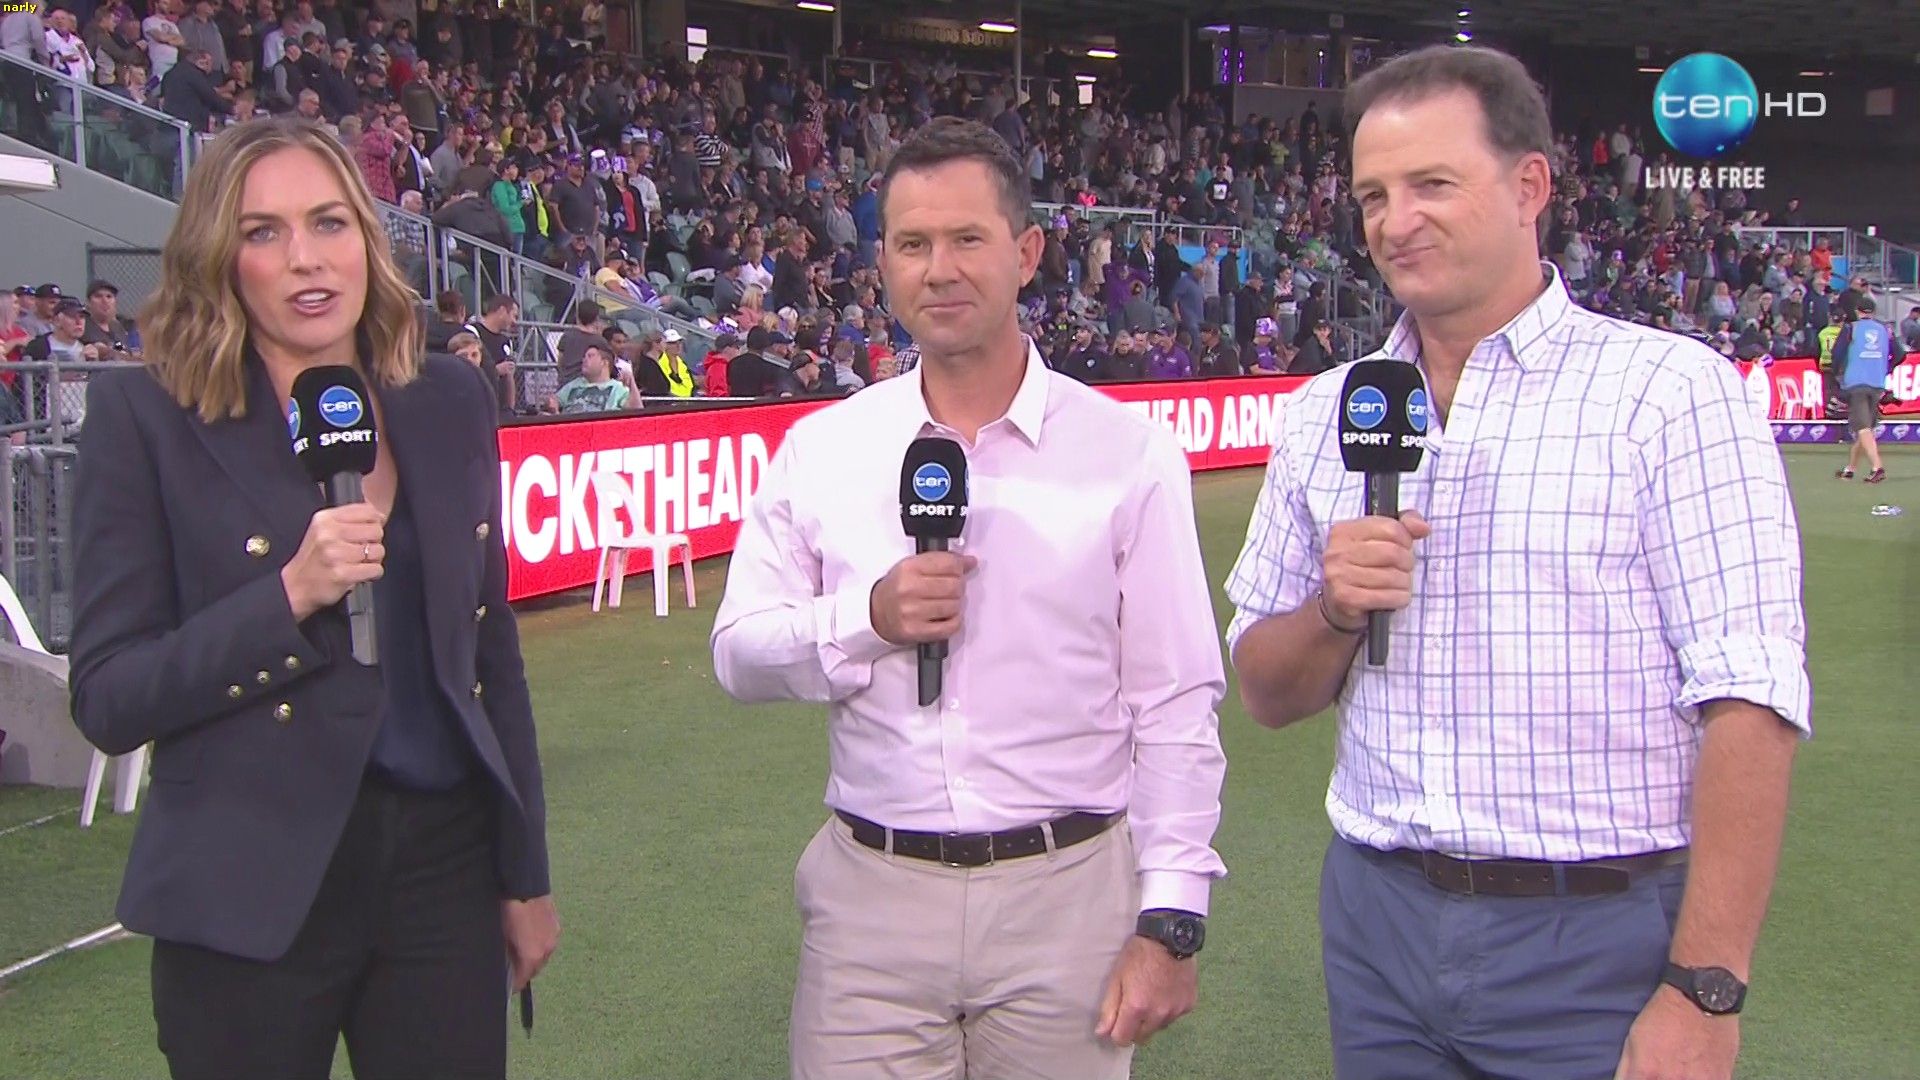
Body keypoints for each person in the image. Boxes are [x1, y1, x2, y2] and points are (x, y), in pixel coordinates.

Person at [1224, 47, 1809, 1080]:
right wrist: (1334, 610)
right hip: (1377, 919)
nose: (1395, 221)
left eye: (1432, 184)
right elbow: (1267, 694)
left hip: (1598, 931)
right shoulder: (1326, 411)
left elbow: (1750, 699)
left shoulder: (1669, 392)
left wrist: (1705, 988)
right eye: (1373, 195)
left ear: (1530, 184)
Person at [711, 116, 1227, 1080]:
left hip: (1068, 896)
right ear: (882, 263)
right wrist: (867, 619)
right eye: (912, 244)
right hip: (871, 901)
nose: (939, 269)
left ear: (1026, 254)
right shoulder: (825, 449)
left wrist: (1173, 917)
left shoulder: (1128, 453)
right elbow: (738, 654)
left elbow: (1175, 702)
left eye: (966, 239)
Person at [66, 117, 559, 1080]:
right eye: (264, 232)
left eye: (329, 222)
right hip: (247, 882)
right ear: (221, 257)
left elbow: (489, 652)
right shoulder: (144, 418)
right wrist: (288, 595)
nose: (306, 259)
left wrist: (523, 871)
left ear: (367, 241)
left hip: (442, 870)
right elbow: (109, 697)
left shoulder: (449, 397)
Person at [1833, 297, 1901, 483]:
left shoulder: (1851, 328)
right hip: (1877, 382)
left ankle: (1877, 467)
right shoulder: (1885, 329)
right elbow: (1900, 353)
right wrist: (1885, 368)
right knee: (1866, 429)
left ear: (1857, 311)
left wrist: (1837, 375)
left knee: (1862, 427)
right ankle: (1850, 469)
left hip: (1856, 382)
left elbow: (1837, 354)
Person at [551, 341, 631, 413]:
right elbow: (554, 400)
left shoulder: (618, 388)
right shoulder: (574, 384)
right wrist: (553, 405)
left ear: (604, 362)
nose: (584, 360)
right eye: (584, 357)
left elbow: (634, 409)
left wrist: (631, 381)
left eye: (590, 356)